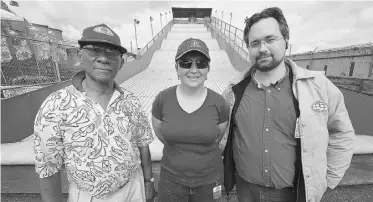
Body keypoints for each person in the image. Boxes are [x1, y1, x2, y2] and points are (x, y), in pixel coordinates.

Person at [221, 7, 355, 202]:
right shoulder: (234, 90)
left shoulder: (318, 87)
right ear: (248, 48)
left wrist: (328, 178)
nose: (263, 48)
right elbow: (220, 135)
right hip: (246, 191)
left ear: (286, 41)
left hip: (295, 193)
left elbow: (342, 132)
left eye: (270, 39)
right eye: (255, 43)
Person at [33, 23, 156, 202]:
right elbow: (48, 166)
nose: (103, 59)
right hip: (89, 196)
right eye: (94, 50)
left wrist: (148, 181)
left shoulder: (131, 101)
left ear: (121, 62)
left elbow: (143, 143)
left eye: (112, 53)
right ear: (80, 55)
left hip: (133, 189)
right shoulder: (56, 104)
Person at [151, 38, 229, 202]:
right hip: (171, 182)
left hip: (209, 181)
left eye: (201, 64)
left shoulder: (219, 103)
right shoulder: (162, 99)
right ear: (176, 67)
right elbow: (160, 133)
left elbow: (218, 137)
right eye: (186, 63)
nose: (194, 70)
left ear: (208, 69)